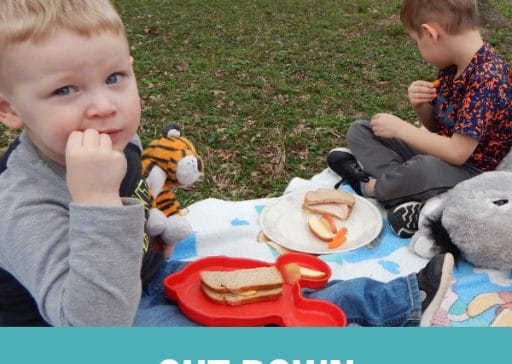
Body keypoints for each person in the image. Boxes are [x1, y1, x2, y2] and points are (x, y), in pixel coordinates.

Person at [0, 0, 452, 328]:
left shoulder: (113, 141)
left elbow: (133, 197)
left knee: (269, 289)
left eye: (114, 77)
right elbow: (90, 326)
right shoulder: (21, 203)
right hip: (89, 325)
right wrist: (95, 203)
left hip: (140, 276)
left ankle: (400, 300)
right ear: (9, 109)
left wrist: (152, 230)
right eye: (65, 90)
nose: (103, 105)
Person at [326, 0, 512, 238]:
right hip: (442, 156)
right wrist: (421, 106)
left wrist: (403, 130)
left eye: (416, 41)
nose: (418, 48)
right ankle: (405, 190)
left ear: (429, 33)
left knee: (423, 168)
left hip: (473, 171)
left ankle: (368, 187)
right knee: (361, 131)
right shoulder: (454, 67)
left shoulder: (488, 78)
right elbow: (437, 127)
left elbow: (458, 153)